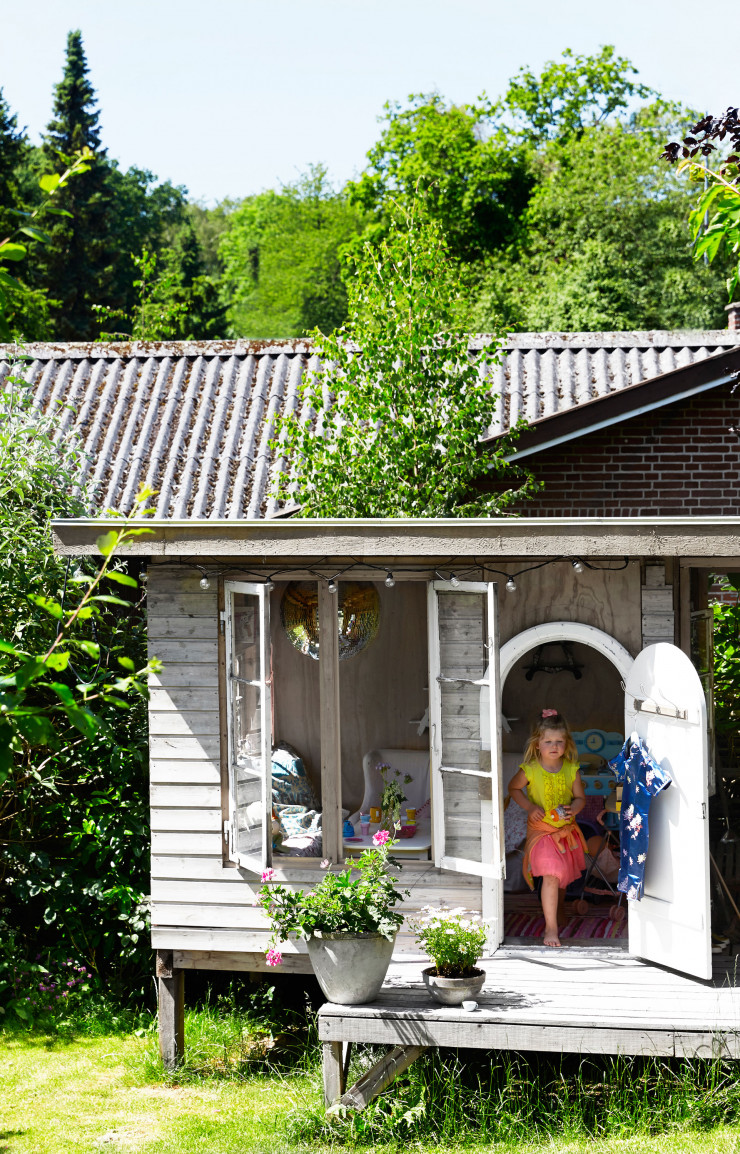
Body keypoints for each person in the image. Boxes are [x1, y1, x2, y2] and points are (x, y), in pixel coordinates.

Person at [508, 709, 588, 947]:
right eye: (548, 741)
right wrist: (530, 807)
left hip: (565, 830)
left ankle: (558, 908)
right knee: (552, 874)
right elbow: (513, 788)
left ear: (567, 743)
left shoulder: (571, 769)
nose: (554, 746)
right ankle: (550, 928)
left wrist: (575, 808)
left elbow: (580, 798)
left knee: (562, 876)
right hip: (541, 830)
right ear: (537, 744)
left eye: (559, 741)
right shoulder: (530, 769)